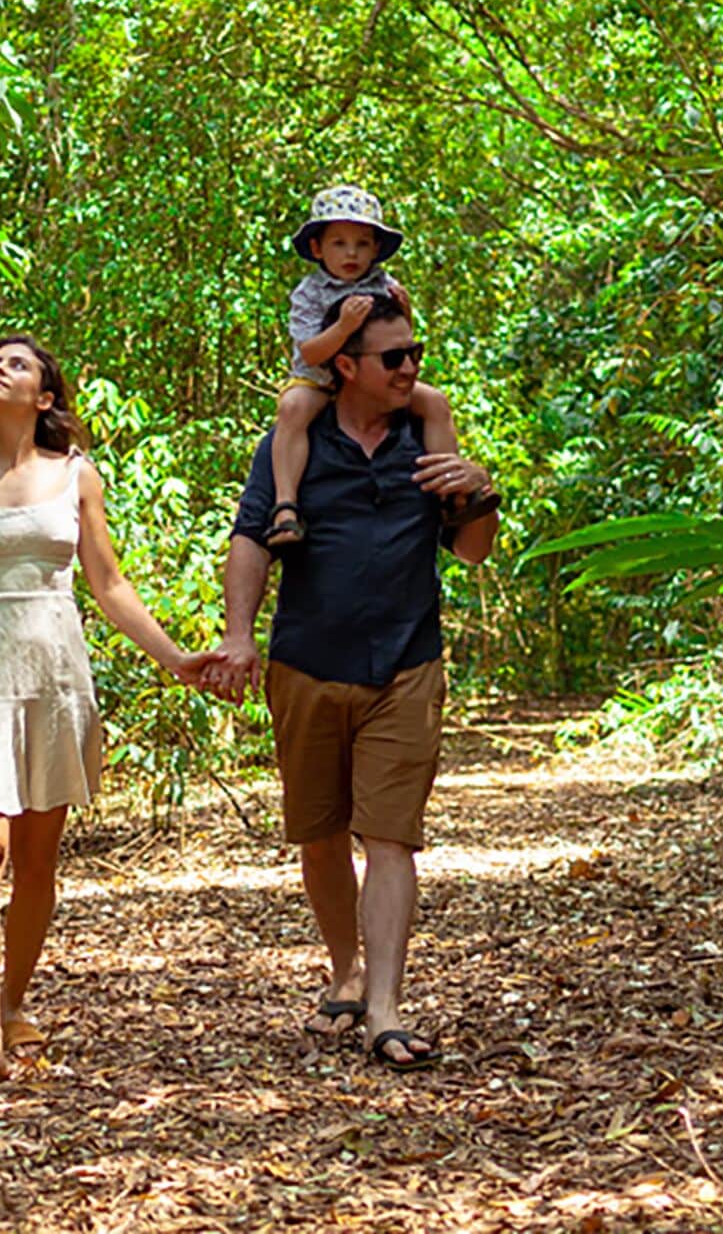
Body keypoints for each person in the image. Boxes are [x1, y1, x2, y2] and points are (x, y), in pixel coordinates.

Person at [0, 336, 219, 1090]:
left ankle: (10, 1004)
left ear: (45, 399)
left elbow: (108, 586)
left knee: (37, 862)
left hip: (53, 675)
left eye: (18, 365)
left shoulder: (76, 476)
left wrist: (175, 660)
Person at [207, 291, 500, 1071]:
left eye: (415, 355)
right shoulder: (296, 440)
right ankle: (347, 966)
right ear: (346, 365)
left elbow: (471, 551)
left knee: (392, 835)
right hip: (305, 662)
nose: (410, 370)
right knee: (320, 830)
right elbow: (251, 540)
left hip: (406, 663)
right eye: (394, 358)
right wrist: (238, 636)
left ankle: (386, 1006)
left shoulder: (425, 438)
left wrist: (479, 488)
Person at [263, 184, 458, 556]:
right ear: (317, 248)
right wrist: (343, 328)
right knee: (291, 410)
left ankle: (450, 489)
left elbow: (397, 341)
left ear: (376, 249)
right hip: (319, 380)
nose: (351, 253)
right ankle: (285, 506)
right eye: (339, 243)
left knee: (434, 402)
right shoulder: (309, 293)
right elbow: (310, 350)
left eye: (362, 244)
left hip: (373, 385)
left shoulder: (385, 285)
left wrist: (406, 311)